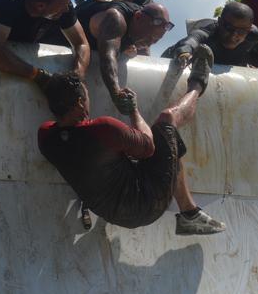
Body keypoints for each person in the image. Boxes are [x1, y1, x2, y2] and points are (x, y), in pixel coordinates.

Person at [38, 45, 226, 235]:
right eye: (86, 95)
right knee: (167, 121)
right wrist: (133, 110)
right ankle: (198, 83)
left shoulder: (45, 136)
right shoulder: (104, 129)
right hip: (146, 204)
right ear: (80, 103)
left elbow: (79, 145)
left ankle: (189, 213)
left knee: (154, 146)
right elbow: (149, 147)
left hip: (111, 213)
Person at [73, 0, 175, 113]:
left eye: (155, 40)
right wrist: (116, 92)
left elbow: (143, 56)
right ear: (138, 18)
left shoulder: (143, 18)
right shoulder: (116, 18)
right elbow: (108, 57)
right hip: (57, 37)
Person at [162, 1, 258, 70]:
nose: (234, 35)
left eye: (241, 31)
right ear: (219, 22)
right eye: (229, 28)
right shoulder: (207, 34)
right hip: (170, 58)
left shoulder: (252, 35)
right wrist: (184, 54)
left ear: (248, 30)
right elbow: (190, 42)